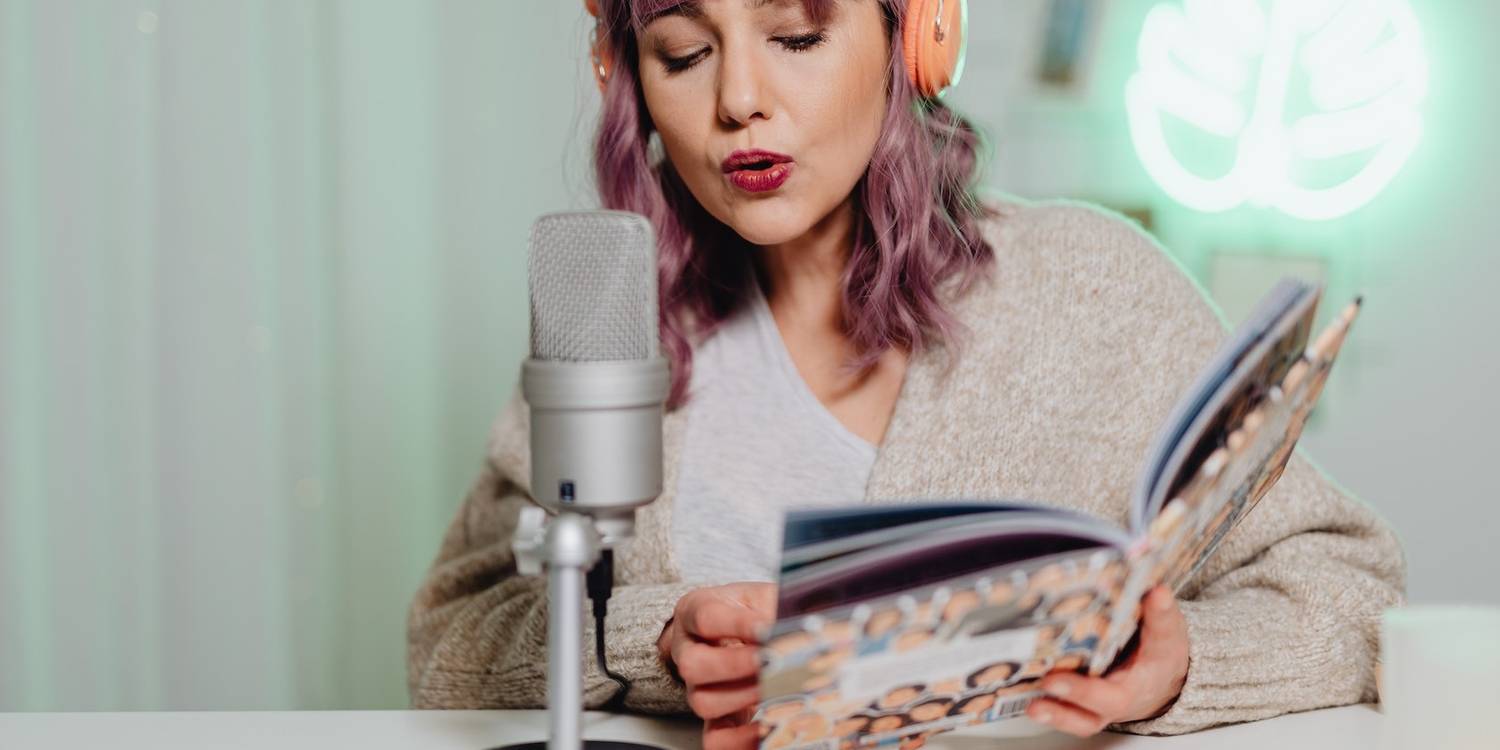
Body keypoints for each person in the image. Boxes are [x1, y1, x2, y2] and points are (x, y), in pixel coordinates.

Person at [406, 1, 1404, 748]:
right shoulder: (616, 317)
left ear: (914, 38)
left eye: (795, 35)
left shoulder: (1096, 288)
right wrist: (655, 638)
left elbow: (1352, 592)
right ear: (627, 76)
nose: (738, 98)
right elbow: (449, 643)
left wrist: (1182, 666)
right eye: (684, 52)